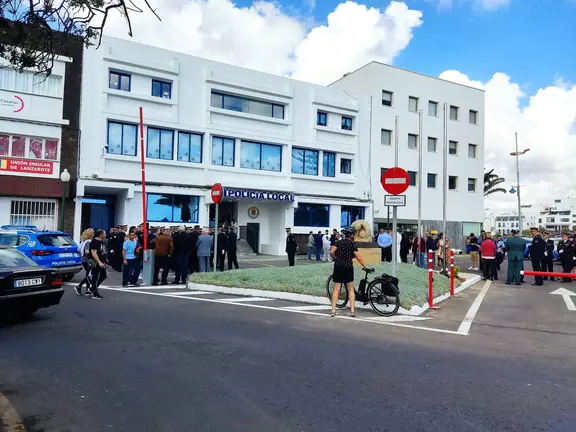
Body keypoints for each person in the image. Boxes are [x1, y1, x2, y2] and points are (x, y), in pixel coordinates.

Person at [329, 226, 368, 318]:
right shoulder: (352, 244)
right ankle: (352, 311)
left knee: (336, 289)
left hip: (338, 267)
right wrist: (364, 266)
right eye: (354, 234)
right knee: (350, 289)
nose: (354, 235)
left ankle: (333, 310)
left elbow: (331, 252)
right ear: (351, 235)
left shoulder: (338, 242)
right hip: (348, 267)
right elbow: (358, 257)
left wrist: (335, 258)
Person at [88, 229, 107, 299]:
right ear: (101, 234)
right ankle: (95, 293)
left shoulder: (101, 242)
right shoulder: (94, 242)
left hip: (101, 261)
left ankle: (93, 288)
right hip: (95, 262)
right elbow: (94, 253)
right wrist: (99, 262)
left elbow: (102, 251)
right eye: (104, 233)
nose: (105, 235)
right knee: (95, 277)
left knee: (104, 275)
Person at [75, 228, 94, 296]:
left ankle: (87, 289)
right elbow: (87, 251)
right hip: (87, 260)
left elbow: (78, 249)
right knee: (89, 275)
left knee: (88, 275)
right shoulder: (88, 242)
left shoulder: (83, 241)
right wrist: (92, 255)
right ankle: (80, 287)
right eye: (93, 233)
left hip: (83, 259)